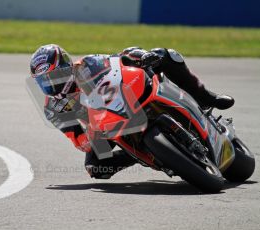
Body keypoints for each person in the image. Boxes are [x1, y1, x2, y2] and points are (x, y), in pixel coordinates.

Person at [29, 44, 234, 179]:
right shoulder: (54, 108)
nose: (52, 84)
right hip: (101, 126)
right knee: (95, 168)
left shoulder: (86, 64)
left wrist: (140, 56)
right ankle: (139, 155)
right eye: (44, 81)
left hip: (123, 98)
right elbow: (78, 140)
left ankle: (206, 97)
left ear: (66, 66)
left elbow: (119, 59)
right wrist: (90, 137)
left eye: (54, 76)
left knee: (166, 55)